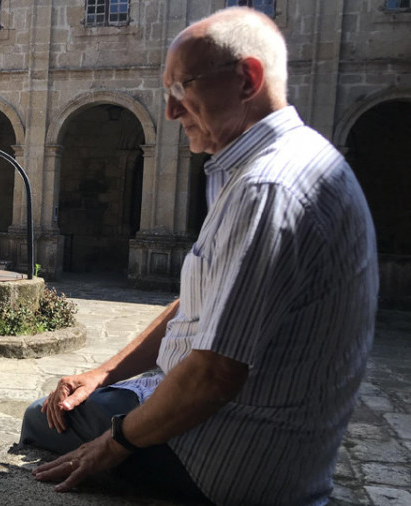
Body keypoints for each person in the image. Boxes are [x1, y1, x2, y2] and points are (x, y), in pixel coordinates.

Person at [19, 7, 379, 506]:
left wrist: (113, 443)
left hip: (230, 457)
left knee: (41, 418)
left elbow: (214, 374)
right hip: (261, 439)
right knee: (85, 397)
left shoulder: (266, 187)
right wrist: (106, 372)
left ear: (247, 78)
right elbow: (199, 301)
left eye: (182, 88)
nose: (170, 111)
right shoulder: (277, 164)